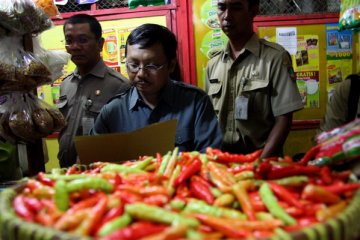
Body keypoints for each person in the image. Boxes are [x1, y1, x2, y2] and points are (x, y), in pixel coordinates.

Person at [91, 23, 222, 153]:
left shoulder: (195, 103)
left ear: (171, 65)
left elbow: (210, 158)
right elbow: (93, 161)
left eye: (152, 65)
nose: (141, 73)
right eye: (133, 65)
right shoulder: (113, 111)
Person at [205, 0, 303, 158]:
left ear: (253, 11)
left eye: (236, 8)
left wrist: (260, 164)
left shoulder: (275, 58)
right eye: (222, 8)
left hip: (262, 161)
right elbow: (209, 122)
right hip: (223, 164)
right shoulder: (213, 65)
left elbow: (283, 119)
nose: (227, 16)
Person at [57, 14, 130, 167]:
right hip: (66, 170)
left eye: (83, 40)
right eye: (69, 41)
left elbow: (126, 138)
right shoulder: (66, 84)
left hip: (100, 172)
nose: (75, 47)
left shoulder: (120, 85)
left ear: (99, 43)